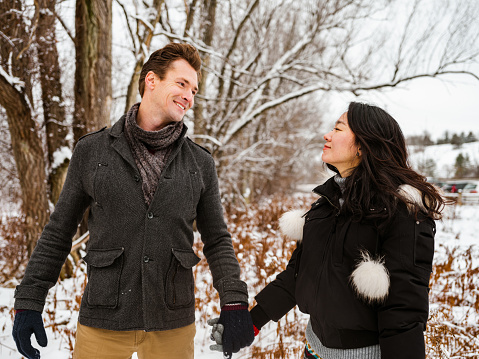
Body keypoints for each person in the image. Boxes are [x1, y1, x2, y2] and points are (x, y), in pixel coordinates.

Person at [12, 42, 254, 359]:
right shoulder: (92, 151)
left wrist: (234, 300)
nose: (189, 96)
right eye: (182, 84)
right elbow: (59, 230)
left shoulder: (200, 164)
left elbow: (218, 238)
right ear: (151, 81)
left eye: (194, 90)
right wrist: (30, 299)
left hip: (171, 324)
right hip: (104, 321)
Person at [209, 102, 445, 358]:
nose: (327, 135)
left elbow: (404, 311)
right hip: (314, 351)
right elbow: (299, 275)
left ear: (363, 145)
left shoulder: (401, 212)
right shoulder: (326, 205)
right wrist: (250, 322)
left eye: (338, 128)